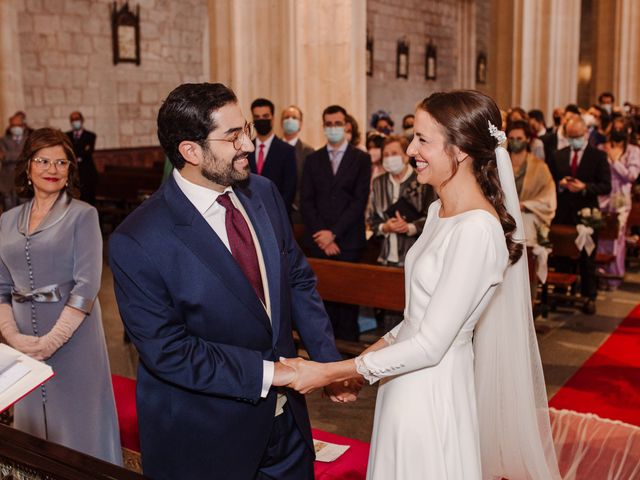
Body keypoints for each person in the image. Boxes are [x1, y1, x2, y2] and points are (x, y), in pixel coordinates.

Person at [283, 90, 561, 480]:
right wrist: (357, 371)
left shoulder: (478, 231)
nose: (410, 148)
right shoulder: (438, 210)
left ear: (461, 149)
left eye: (422, 139)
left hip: (434, 390)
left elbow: (431, 344)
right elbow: (415, 321)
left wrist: (326, 373)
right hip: (403, 380)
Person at [109, 83, 350, 480]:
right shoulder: (138, 240)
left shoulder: (264, 193)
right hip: (205, 438)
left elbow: (296, 279)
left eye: (247, 130)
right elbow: (170, 351)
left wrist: (329, 366)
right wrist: (278, 373)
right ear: (190, 151)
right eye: (232, 135)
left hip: (287, 427)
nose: (247, 145)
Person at [0, 128, 121, 464]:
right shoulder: (7, 221)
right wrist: (13, 337)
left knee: (78, 425)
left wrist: (51, 342)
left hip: (74, 338)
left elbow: (87, 286)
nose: (52, 169)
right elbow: (0, 288)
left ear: (70, 170)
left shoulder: (83, 215)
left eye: (61, 162)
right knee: (33, 431)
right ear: (27, 167)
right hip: (22, 340)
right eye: (43, 161)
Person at [300, 104, 371, 341]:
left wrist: (334, 234)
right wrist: (323, 234)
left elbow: (359, 201)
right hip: (318, 242)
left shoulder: (361, 159)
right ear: (323, 127)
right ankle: (323, 354)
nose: (333, 128)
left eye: (337, 124)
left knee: (347, 306)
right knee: (321, 301)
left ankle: (348, 364)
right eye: (328, 124)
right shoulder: (313, 160)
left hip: (348, 241)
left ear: (346, 125)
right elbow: (306, 201)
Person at [550, 116, 611, 314]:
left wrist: (584, 187)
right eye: (571, 136)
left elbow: (605, 186)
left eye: (577, 136)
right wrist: (560, 185)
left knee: (587, 258)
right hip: (563, 212)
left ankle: (588, 296)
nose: (574, 139)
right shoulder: (558, 155)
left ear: (585, 134)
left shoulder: (598, 156)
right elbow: (549, 181)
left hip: (586, 213)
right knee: (561, 254)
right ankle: (561, 293)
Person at [369, 134, 435, 266]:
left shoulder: (423, 180)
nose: (389, 158)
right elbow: (372, 219)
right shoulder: (378, 183)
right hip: (386, 257)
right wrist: (385, 227)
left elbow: (433, 219)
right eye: (386, 155)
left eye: (394, 153)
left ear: (406, 156)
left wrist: (409, 227)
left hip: (416, 258)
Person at [597, 117, 640, 289]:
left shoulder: (633, 151)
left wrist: (615, 162)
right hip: (603, 199)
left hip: (621, 200)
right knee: (601, 238)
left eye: (622, 128)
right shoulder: (602, 148)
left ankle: (614, 277)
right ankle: (600, 273)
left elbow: (632, 175)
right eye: (615, 127)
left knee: (617, 239)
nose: (618, 130)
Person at [506, 120, 556, 244]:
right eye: (511, 138)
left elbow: (549, 198)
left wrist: (524, 205)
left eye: (519, 138)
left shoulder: (540, 167)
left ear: (528, 139)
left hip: (527, 216)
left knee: (524, 222)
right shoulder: (498, 164)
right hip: (503, 214)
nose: (515, 142)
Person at [248, 98, 297, 216]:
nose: (261, 120)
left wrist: (274, 213)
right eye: (257, 117)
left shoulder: (287, 151)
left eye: (265, 116)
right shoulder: (246, 149)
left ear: (273, 118)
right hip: (250, 214)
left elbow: (289, 190)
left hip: (278, 215)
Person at [281, 105, 314, 223]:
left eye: (294, 117)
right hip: (275, 210)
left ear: (300, 124)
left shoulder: (308, 152)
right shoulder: (275, 149)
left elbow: (309, 185)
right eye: (287, 117)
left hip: (298, 215)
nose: (290, 120)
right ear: (281, 123)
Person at [65, 111, 98, 205]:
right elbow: (68, 152)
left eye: (77, 119)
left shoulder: (90, 136)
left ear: (82, 120)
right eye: (73, 120)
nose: (75, 121)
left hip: (87, 174)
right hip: (73, 174)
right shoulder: (67, 136)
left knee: (88, 200)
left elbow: (87, 153)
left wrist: (75, 154)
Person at [0, 113, 29, 210]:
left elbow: (27, 155)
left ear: (23, 126)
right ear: (9, 126)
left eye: (18, 125)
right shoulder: (3, 141)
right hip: (7, 182)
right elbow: (2, 156)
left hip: (23, 180)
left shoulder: (28, 140)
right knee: (8, 210)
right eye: (13, 125)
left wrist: (8, 155)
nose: (16, 128)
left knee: (24, 210)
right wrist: (21, 155)